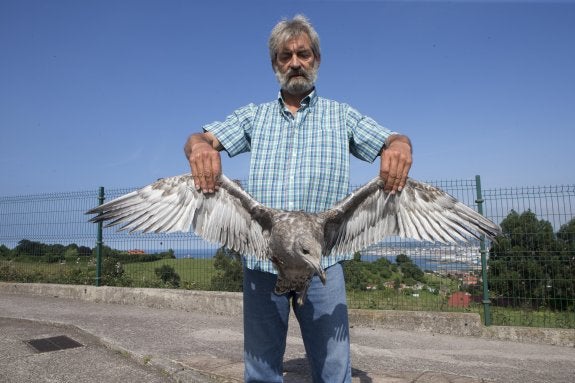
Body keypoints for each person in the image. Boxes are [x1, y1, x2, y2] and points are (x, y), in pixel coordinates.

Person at [184, 15, 412, 383]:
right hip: (263, 263)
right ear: (275, 64)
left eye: (303, 54)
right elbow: (201, 138)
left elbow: (392, 139)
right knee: (260, 372)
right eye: (285, 56)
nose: (294, 63)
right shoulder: (253, 117)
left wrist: (400, 144)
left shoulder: (342, 116)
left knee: (334, 369)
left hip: (324, 265)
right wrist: (197, 145)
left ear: (316, 59)